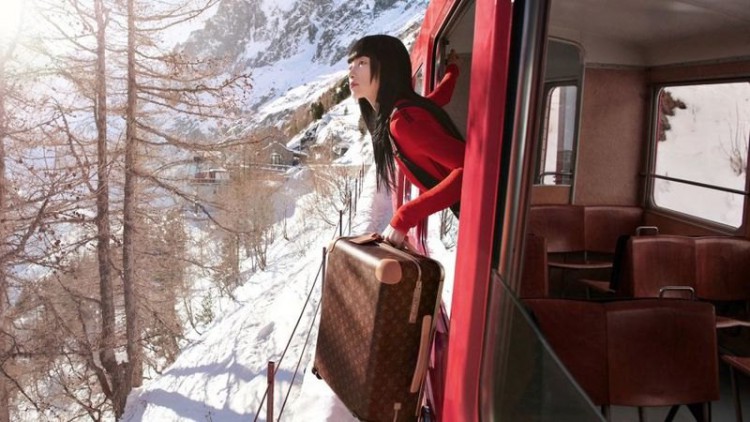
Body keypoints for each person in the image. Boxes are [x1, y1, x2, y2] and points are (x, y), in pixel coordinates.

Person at [347, 34, 465, 248]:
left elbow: (471, 170)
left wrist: (405, 216)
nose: (351, 72)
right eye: (351, 65)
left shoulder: (402, 123)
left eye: (362, 63)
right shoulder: (402, 114)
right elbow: (437, 100)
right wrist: (453, 70)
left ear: (387, 67)